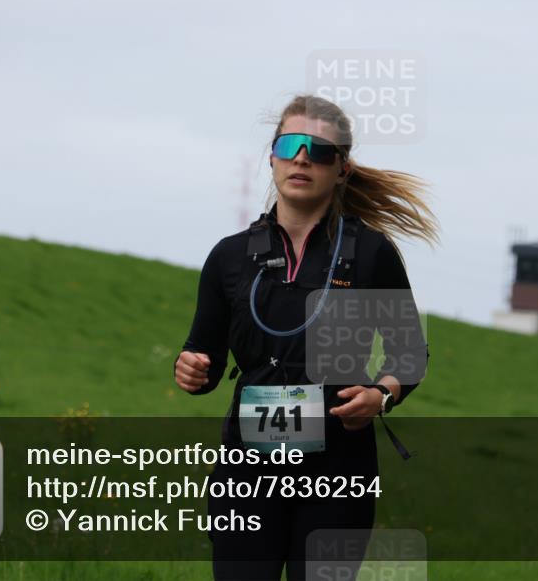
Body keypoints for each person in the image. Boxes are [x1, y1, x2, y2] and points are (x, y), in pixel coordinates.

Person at [175, 95, 439, 581]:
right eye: (290, 145)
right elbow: (204, 356)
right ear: (272, 156)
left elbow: (409, 352)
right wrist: (191, 367)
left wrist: (381, 394)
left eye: (319, 150)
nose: (302, 158)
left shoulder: (370, 254)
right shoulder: (230, 258)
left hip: (338, 472)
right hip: (248, 472)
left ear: (341, 169)